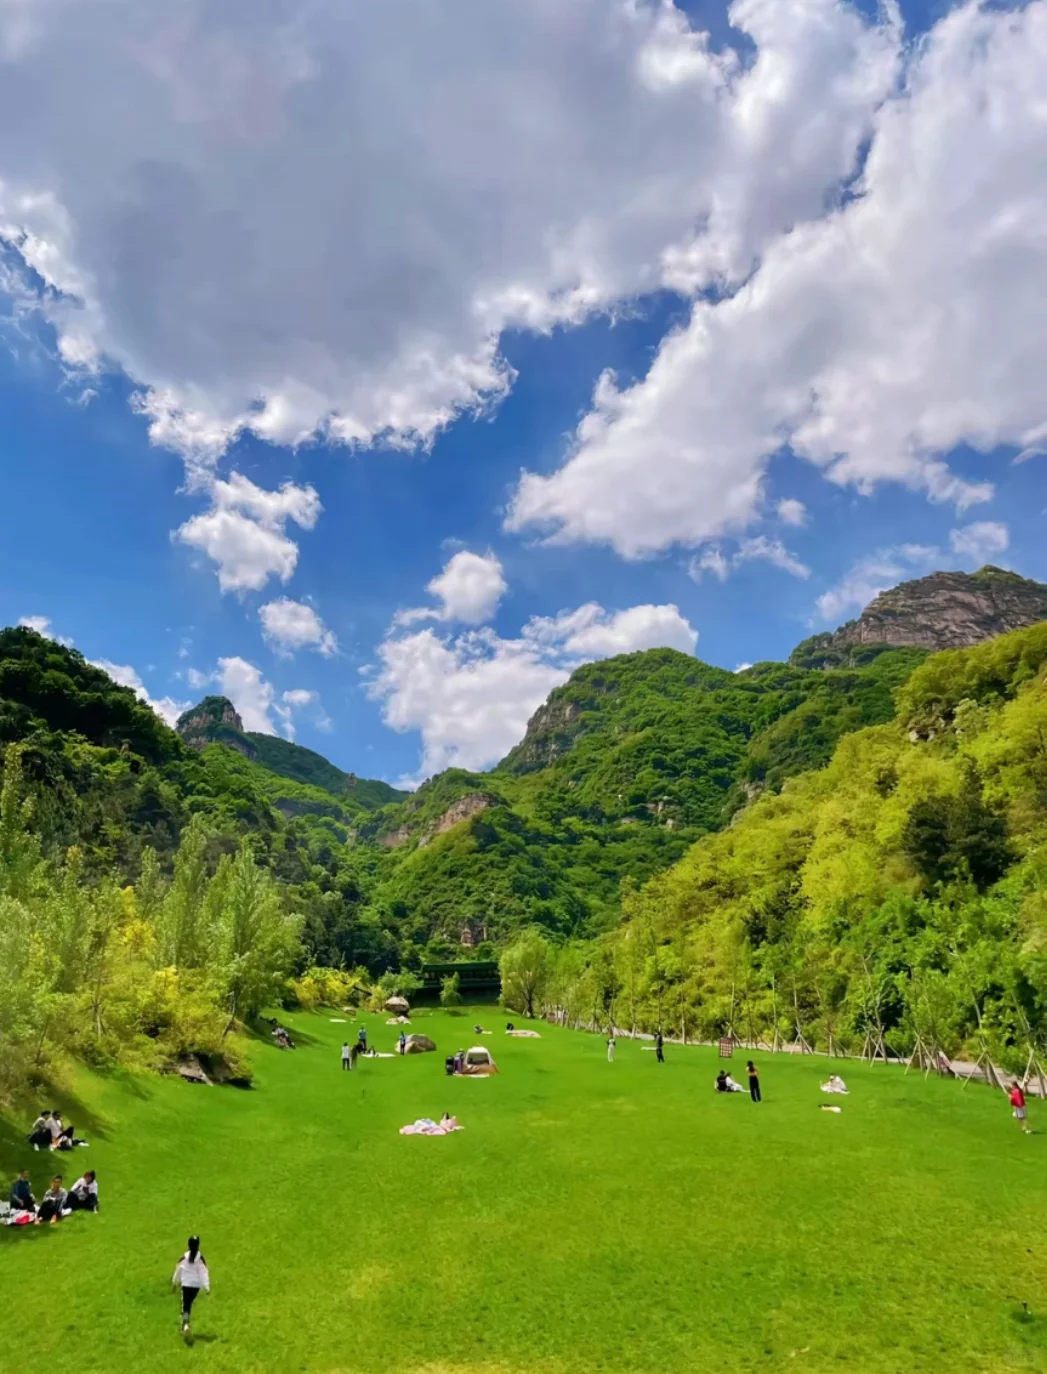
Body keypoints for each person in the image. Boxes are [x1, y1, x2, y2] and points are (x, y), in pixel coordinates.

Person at [172, 1236, 210, 1336]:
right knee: (188, 1304)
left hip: (186, 1285)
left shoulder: (184, 1258)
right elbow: (204, 1273)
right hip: (196, 1287)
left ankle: (185, 1326)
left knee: (185, 1306)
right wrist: (206, 1287)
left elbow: (178, 1270)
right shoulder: (201, 1259)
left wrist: (174, 1283)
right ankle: (185, 1325)